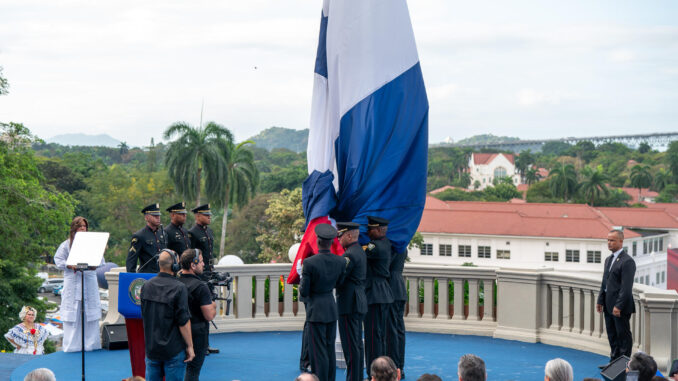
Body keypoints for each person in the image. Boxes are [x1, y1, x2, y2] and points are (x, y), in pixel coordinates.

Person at [299, 224, 347, 381]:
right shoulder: (340, 261)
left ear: (318, 241)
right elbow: (340, 283)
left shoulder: (310, 263)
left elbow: (304, 291)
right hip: (331, 308)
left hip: (316, 310)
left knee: (317, 351)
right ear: (332, 242)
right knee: (329, 349)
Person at [140, 249, 195, 381]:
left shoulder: (146, 286)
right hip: (173, 350)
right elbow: (183, 321)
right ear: (175, 266)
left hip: (152, 350)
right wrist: (190, 346)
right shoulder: (179, 288)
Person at [53, 216, 102, 352]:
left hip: (89, 280)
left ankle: (91, 345)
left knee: (89, 314)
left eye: (84, 226)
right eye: (79, 226)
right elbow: (58, 260)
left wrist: (94, 265)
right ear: (74, 228)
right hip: (73, 282)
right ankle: (72, 346)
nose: (82, 228)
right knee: (73, 315)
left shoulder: (93, 244)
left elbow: (101, 261)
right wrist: (70, 265)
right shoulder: (66, 244)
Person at [596, 229, 636, 364]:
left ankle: (623, 364)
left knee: (623, 336)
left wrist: (618, 306)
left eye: (612, 240)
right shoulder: (608, 259)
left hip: (620, 307)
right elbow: (605, 282)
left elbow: (626, 287)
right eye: (608, 240)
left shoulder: (627, 261)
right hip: (607, 304)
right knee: (612, 334)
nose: (609, 243)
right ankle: (613, 362)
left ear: (621, 241)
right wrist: (600, 300)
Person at [335, 222, 367, 381]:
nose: (338, 239)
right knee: (356, 344)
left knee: (350, 345)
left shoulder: (349, 255)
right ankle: (357, 377)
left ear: (348, 235)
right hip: (357, 300)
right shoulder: (359, 250)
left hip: (349, 303)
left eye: (340, 235)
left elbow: (339, 279)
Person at [178, 249, 216, 381]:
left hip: (175, 332)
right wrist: (214, 305)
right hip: (196, 332)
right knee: (192, 370)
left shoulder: (175, 281)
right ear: (192, 265)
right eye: (201, 261)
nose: (204, 264)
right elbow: (209, 316)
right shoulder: (200, 286)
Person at [364, 216, 394, 378]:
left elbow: (362, 257)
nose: (368, 232)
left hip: (375, 295)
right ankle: (383, 371)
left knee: (373, 337)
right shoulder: (387, 243)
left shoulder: (374, 246)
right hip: (384, 293)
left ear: (378, 230)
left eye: (370, 229)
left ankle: (374, 374)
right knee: (380, 336)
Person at [188, 203, 219, 355]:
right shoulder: (192, 233)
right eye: (206, 215)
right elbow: (190, 255)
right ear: (198, 216)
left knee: (208, 306)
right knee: (199, 311)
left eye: (209, 214)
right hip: (199, 275)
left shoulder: (209, 231)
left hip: (208, 273)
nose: (209, 217)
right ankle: (198, 345)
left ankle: (206, 344)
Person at [127, 203, 168, 273]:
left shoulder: (162, 233)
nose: (158, 218)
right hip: (147, 276)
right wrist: (132, 278)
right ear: (146, 218)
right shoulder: (139, 235)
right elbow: (131, 260)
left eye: (158, 215)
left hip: (162, 274)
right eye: (155, 216)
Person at [386, 246, 407, 378]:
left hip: (390, 289)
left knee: (392, 331)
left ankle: (395, 367)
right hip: (399, 287)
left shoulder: (391, 247)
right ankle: (400, 366)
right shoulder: (402, 246)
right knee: (399, 330)